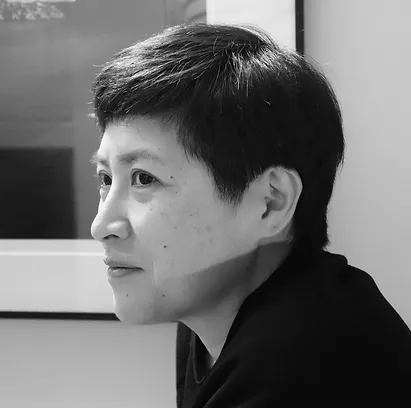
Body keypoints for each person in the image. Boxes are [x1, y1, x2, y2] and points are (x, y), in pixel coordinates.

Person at [89, 23, 411, 407]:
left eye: (144, 178)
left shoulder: (302, 365)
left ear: (271, 202)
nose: (101, 226)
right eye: (105, 179)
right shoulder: (213, 312)